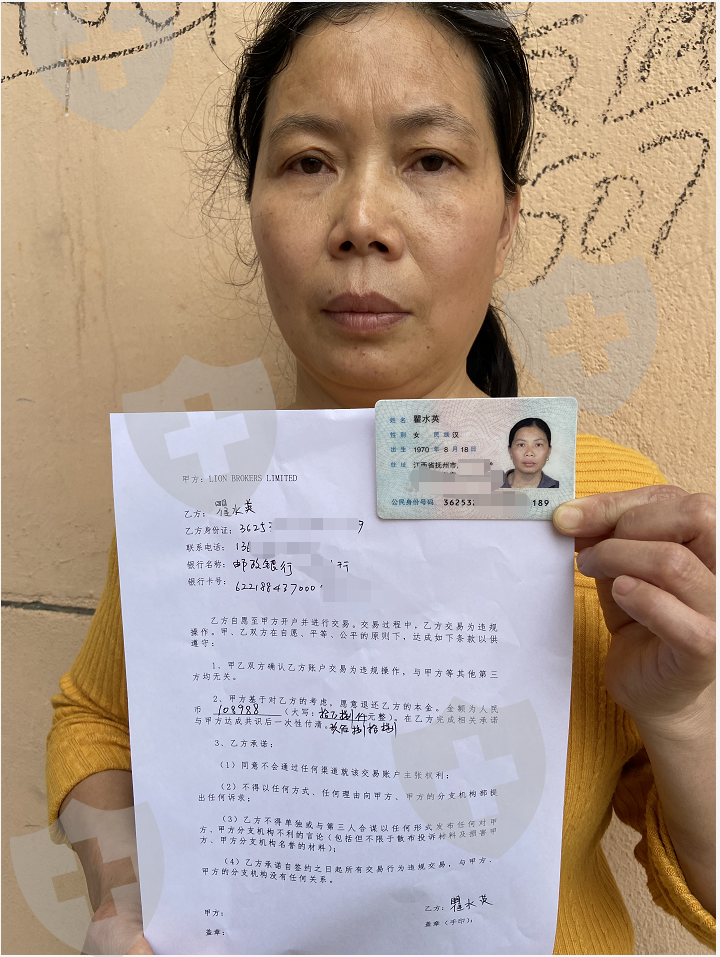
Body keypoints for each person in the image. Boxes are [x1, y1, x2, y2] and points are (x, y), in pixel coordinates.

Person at [45, 4, 715, 955]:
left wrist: (686, 713)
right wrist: (119, 902)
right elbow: (99, 717)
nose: (362, 222)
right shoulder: (201, 495)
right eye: (308, 162)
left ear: (506, 219)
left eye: (430, 160)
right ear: (253, 208)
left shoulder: (608, 522)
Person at [501, 417, 560, 489]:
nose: (529, 453)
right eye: (521, 445)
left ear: (548, 451)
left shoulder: (562, 489)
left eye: (538, 445)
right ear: (510, 451)